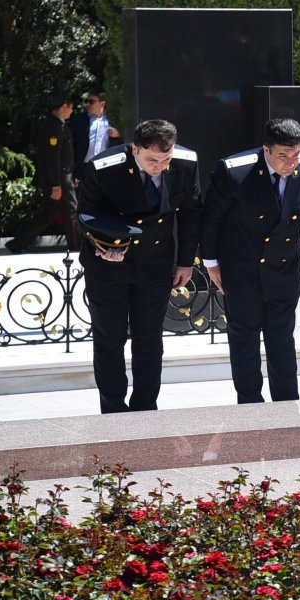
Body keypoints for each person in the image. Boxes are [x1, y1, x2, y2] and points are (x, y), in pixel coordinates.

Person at [201, 118, 300, 403]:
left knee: (281, 341)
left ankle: (286, 404)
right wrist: (211, 263)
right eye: (283, 155)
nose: (291, 163)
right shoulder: (234, 172)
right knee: (244, 340)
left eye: (296, 154)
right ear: (266, 151)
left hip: (283, 270)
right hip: (242, 268)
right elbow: (211, 219)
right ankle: (250, 404)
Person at [77, 119, 201, 414]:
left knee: (149, 340)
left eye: (165, 159)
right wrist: (106, 246)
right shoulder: (103, 166)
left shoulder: (185, 163)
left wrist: (185, 262)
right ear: (135, 149)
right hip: (108, 265)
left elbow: (191, 213)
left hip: (156, 264)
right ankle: (113, 410)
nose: (159, 166)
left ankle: (146, 408)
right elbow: (87, 215)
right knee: (110, 339)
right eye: (152, 160)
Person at [6, 94, 78, 253]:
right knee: (72, 211)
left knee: (50, 213)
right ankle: (76, 249)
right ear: (64, 106)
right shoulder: (53, 127)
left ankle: (18, 243)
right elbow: (53, 158)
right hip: (59, 179)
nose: (72, 111)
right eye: (71, 107)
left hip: (63, 177)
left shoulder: (59, 125)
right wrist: (56, 185)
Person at [70, 91, 121, 183]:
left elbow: (122, 145)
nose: (87, 104)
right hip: (84, 169)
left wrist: (117, 136)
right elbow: (72, 145)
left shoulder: (111, 121)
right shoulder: (79, 120)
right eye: (86, 101)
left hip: (105, 167)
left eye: (91, 101)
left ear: (102, 103)